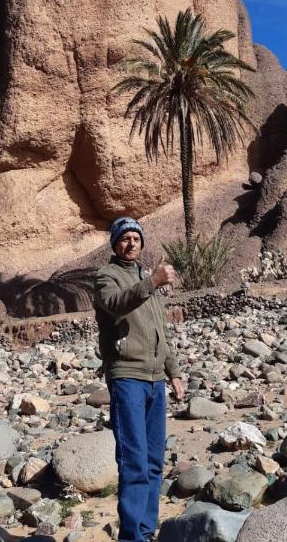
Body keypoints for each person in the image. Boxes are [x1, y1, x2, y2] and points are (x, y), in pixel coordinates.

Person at [94, 216, 184, 542]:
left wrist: (173, 372)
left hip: (155, 380)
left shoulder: (150, 283)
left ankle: (146, 532)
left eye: (136, 238)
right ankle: (132, 537)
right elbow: (116, 304)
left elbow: (161, 332)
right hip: (127, 378)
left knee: (154, 463)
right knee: (133, 463)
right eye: (124, 238)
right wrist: (152, 283)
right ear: (115, 244)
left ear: (142, 243)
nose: (131, 243)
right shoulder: (106, 276)